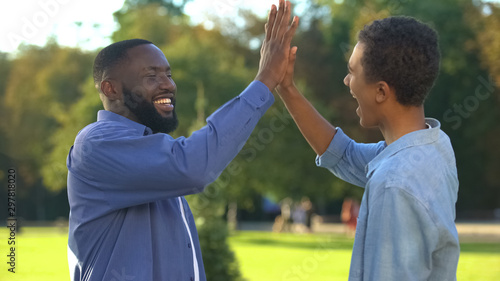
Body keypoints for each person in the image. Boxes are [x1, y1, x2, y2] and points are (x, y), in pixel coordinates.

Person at [66, 1, 298, 280]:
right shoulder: (96, 145)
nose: (168, 84)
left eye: (168, 74)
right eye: (151, 75)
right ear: (111, 88)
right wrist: (265, 80)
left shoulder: (154, 153)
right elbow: (193, 166)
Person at [276, 16, 459, 280]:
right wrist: (287, 87)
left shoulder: (394, 183)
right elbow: (344, 155)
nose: (347, 82)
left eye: (352, 72)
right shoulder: (433, 145)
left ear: (381, 92)